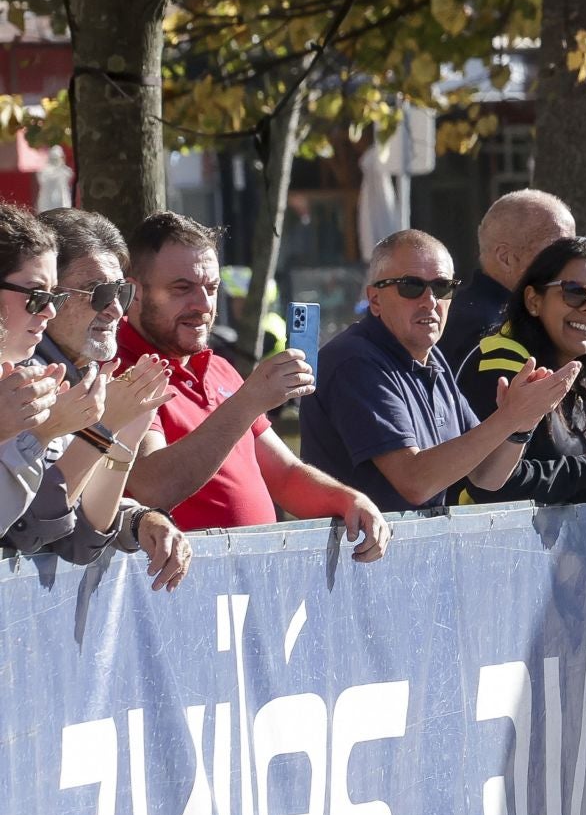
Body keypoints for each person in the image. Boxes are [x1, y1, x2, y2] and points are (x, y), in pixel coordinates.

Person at [117, 211, 391, 559]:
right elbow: (151, 487)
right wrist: (250, 400)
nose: (203, 305)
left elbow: (286, 476)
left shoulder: (219, 368)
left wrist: (351, 500)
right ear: (135, 293)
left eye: (212, 289)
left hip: (252, 587)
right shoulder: (124, 370)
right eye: (182, 288)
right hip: (180, 593)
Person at [301, 229, 577, 512]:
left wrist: (522, 425)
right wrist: (510, 416)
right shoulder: (355, 361)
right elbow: (415, 483)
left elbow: (487, 476)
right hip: (355, 552)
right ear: (374, 300)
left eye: (443, 287)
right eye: (411, 286)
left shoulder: (432, 358)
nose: (430, 301)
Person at [12, 208, 192, 586]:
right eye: (99, 293)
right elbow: (35, 529)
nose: (115, 310)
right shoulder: (23, 380)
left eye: (122, 292)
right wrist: (104, 429)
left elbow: (84, 538)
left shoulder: (89, 376)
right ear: (48, 293)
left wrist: (139, 519)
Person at [455, 236, 586, 504]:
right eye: (574, 291)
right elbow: (492, 486)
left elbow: (564, 478)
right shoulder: (504, 362)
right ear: (533, 300)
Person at [440, 189, 576, 375]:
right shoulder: (490, 328)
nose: (572, 261)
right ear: (506, 258)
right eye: (556, 251)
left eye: (572, 250)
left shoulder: (471, 311)